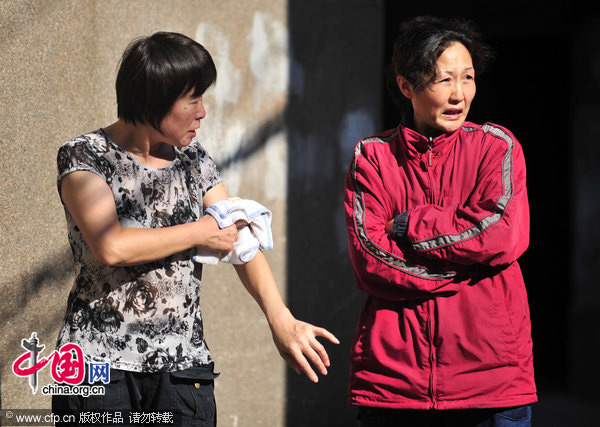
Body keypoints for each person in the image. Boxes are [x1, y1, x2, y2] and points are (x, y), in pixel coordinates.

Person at [53, 31, 338, 426]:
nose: (202, 112)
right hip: (97, 370)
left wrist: (281, 320)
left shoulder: (193, 160)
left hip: (183, 370)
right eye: (193, 99)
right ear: (156, 99)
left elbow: (239, 237)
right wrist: (201, 232)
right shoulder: (85, 155)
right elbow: (111, 246)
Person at [344, 16, 536, 426]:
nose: (459, 94)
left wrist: (409, 225)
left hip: (492, 383)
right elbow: (370, 259)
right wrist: (467, 271)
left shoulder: (495, 147)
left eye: (467, 78)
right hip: (394, 385)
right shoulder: (373, 157)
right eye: (443, 80)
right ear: (406, 86)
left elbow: (502, 235)